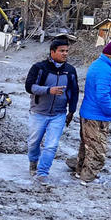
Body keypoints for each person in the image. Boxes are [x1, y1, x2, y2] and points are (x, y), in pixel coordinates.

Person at [24, 38, 79, 185]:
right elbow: (29, 87)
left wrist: (71, 111)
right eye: (62, 51)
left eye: (67, 51)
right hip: (38, 113)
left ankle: (42, 173)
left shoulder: (70, 71)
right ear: (52, 51)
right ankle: (33, 162)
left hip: (58, 114)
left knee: (51, 145)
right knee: (33, 143)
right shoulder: (39, 68)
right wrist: (49, 90)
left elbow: (74, 92)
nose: (65, 53)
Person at [75, 40, 111, 185]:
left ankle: (80, 172)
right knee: (98, 150)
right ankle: (87, 178)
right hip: (97, 116)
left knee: (86, 146)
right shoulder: (105, 71)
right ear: (109, 54)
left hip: (89, 113)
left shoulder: (97, 65)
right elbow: (102, 95)